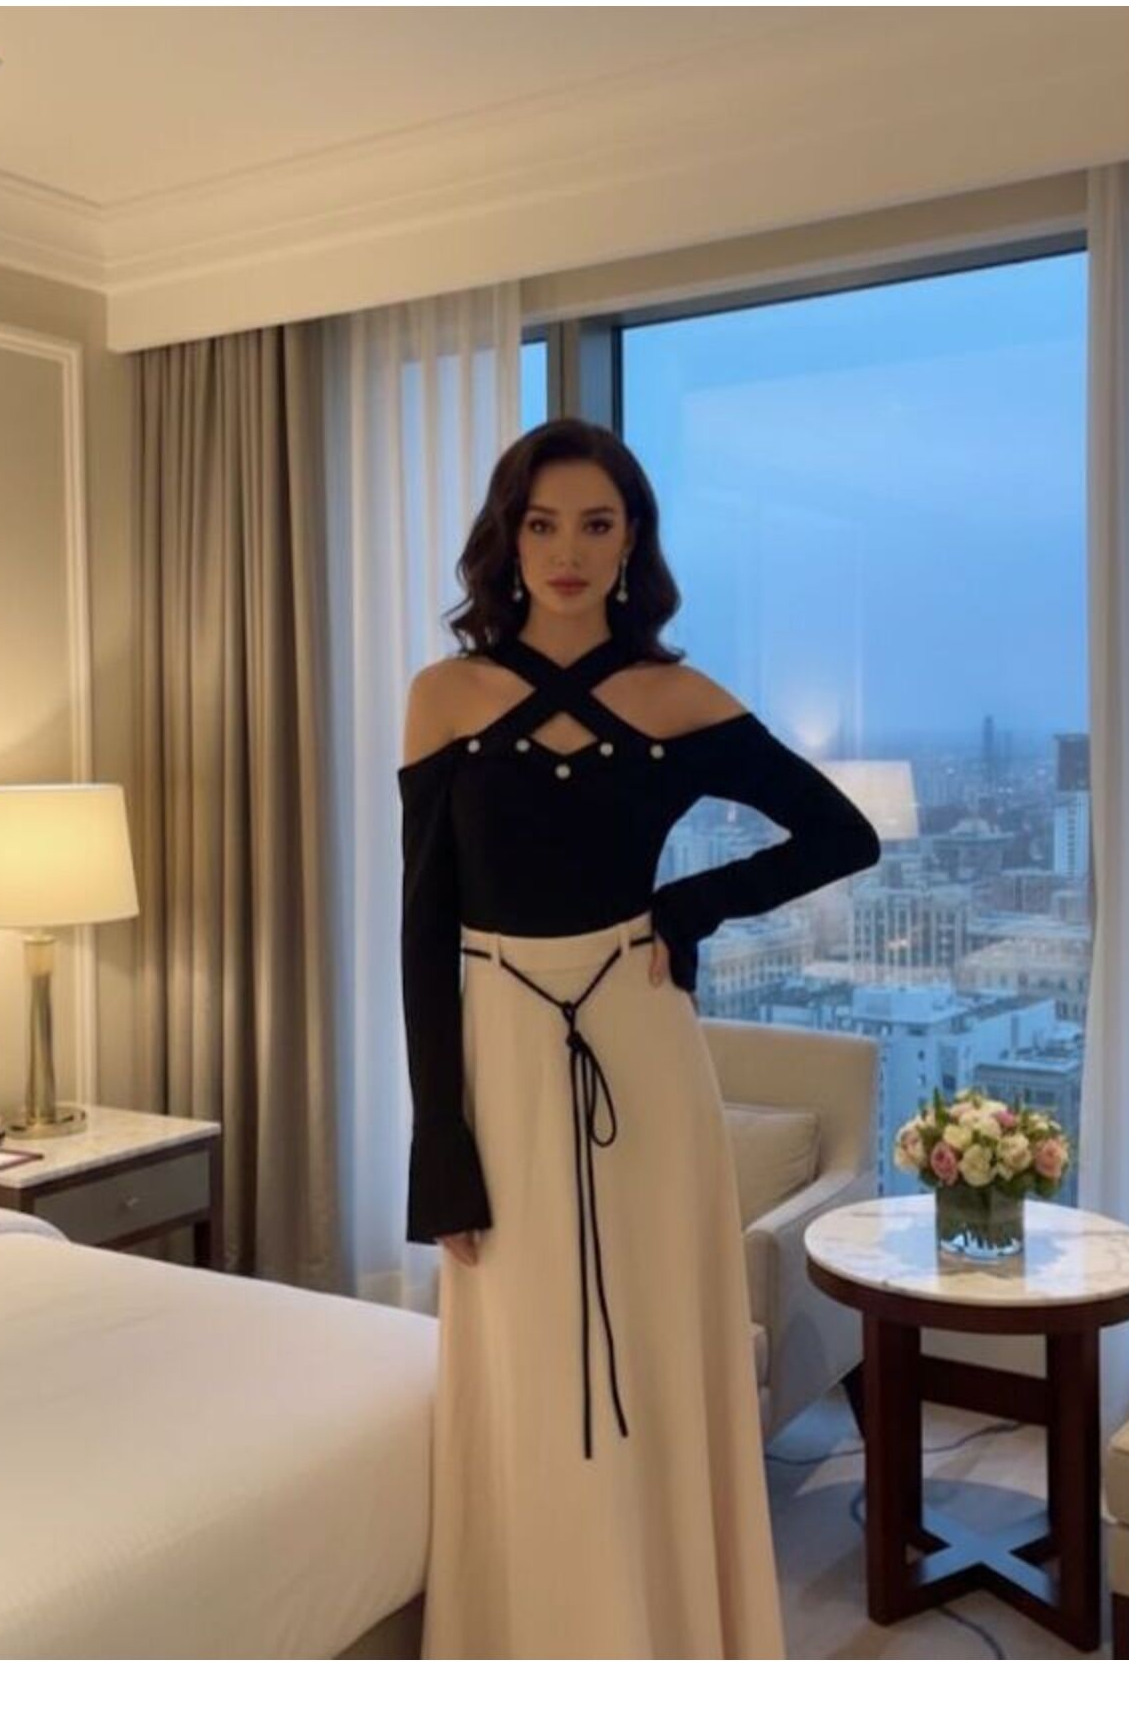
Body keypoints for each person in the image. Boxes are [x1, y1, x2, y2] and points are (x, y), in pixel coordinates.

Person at [398, 416, 881, 1659]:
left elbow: (843, 834)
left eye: (596, 524)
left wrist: (692, 903)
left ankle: (669, 1642)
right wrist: (436, 1136)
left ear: (632, 544)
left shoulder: (678, 696)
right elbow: (422, 928)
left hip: (644, 1048)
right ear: (508, 540)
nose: (567, 551)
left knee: (659, 1344)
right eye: (542, 523)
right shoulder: (444, 697)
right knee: (521, 1348)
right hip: (499, 1049)